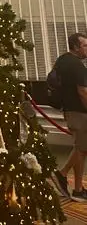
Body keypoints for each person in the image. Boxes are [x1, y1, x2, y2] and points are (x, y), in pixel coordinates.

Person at [53, 33, 87, 201]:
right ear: (75, 46)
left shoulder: (62, 60)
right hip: (79, 112)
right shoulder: (78, 66)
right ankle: (63, 175)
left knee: (81, 148)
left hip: (68, 109)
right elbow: (82, 92)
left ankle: (77, 187)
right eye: (85, 46)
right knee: (82, 148)